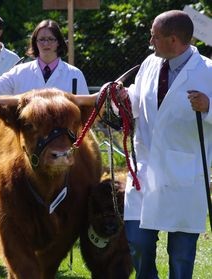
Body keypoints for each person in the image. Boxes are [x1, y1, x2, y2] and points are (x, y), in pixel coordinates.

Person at [116, 10, 212, 279]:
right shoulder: (149, 63)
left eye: (155, 36)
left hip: (185, 175)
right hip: (145, 169)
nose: (150, 41)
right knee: (136, 242)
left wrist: (208, 106)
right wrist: (123, 96)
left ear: (173, 39)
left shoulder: (207, 71)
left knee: (181, 255)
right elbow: (138, 98)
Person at [0, 19, 89, 96]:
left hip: (63, 139)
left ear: (58, 42)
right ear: (35, 42)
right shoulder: (19, 72)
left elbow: (86, 111)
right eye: (41, 39)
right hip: (26, 138)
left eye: (51, 39)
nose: (46, 44)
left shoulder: (75, 75)